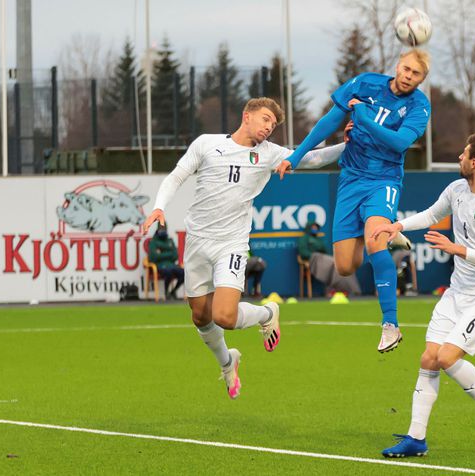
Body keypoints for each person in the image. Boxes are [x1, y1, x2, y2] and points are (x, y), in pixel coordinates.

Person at [142, 97, 343, 400]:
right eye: (264, 119)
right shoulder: (207, 144)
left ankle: (266, 313)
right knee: (200, 316)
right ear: (246, 115)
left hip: (232, 244)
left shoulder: (270, 154)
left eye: (273, 125)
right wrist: (159, 207)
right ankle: (227, 361)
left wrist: (351, 144)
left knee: (224, 315)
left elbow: (312, 159)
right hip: (197, 241)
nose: (268, 128)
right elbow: (177, 176)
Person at [276, 49, 431, 353]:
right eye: (406, 69)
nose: (408, 76)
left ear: (421, 79)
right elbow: (327, 122)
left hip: (383, 180)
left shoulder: (419, 106)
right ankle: (387, 231)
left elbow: (400, 143)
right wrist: (295, 157)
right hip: (350, 179)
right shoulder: (366, 83)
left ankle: (390, 325)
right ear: (397, 65)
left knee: (374, 240)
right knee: (346, 266)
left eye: (416, 74)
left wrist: (362, 118)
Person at [371, 133, 475, 456]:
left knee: (447, 358)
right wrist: (398, 227)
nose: (459, 158)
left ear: (474, 163)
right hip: (457, 292)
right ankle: (416, 438)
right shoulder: (457, 189)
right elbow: (432, 214)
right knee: (429, 359)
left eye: (463, 154)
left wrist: (456, 249)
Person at [297, 220, 361, 296]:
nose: (315, 229)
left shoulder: (318, 239)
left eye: (316, 227)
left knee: (342, 264)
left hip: (323, 258)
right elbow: (303, 252)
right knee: (334, 264)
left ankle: (352, 290)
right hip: (314, 259)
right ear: (308, 228)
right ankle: (339, 289)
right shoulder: (304, 238)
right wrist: (314, 256)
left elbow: (325, 251)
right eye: (313, 227)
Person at [147, 224, 185, 300]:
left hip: (171, 265)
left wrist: (161, 253)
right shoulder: (153, 242)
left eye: (164, 228)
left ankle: (173, 291)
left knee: (184, 273)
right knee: (168, 272)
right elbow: (154, 257)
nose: (163, 230)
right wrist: (169, 253)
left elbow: (175, 256)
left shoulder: (170, 241)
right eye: (161, 228)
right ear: (157, 229)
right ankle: (166, 291)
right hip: (160, 266)